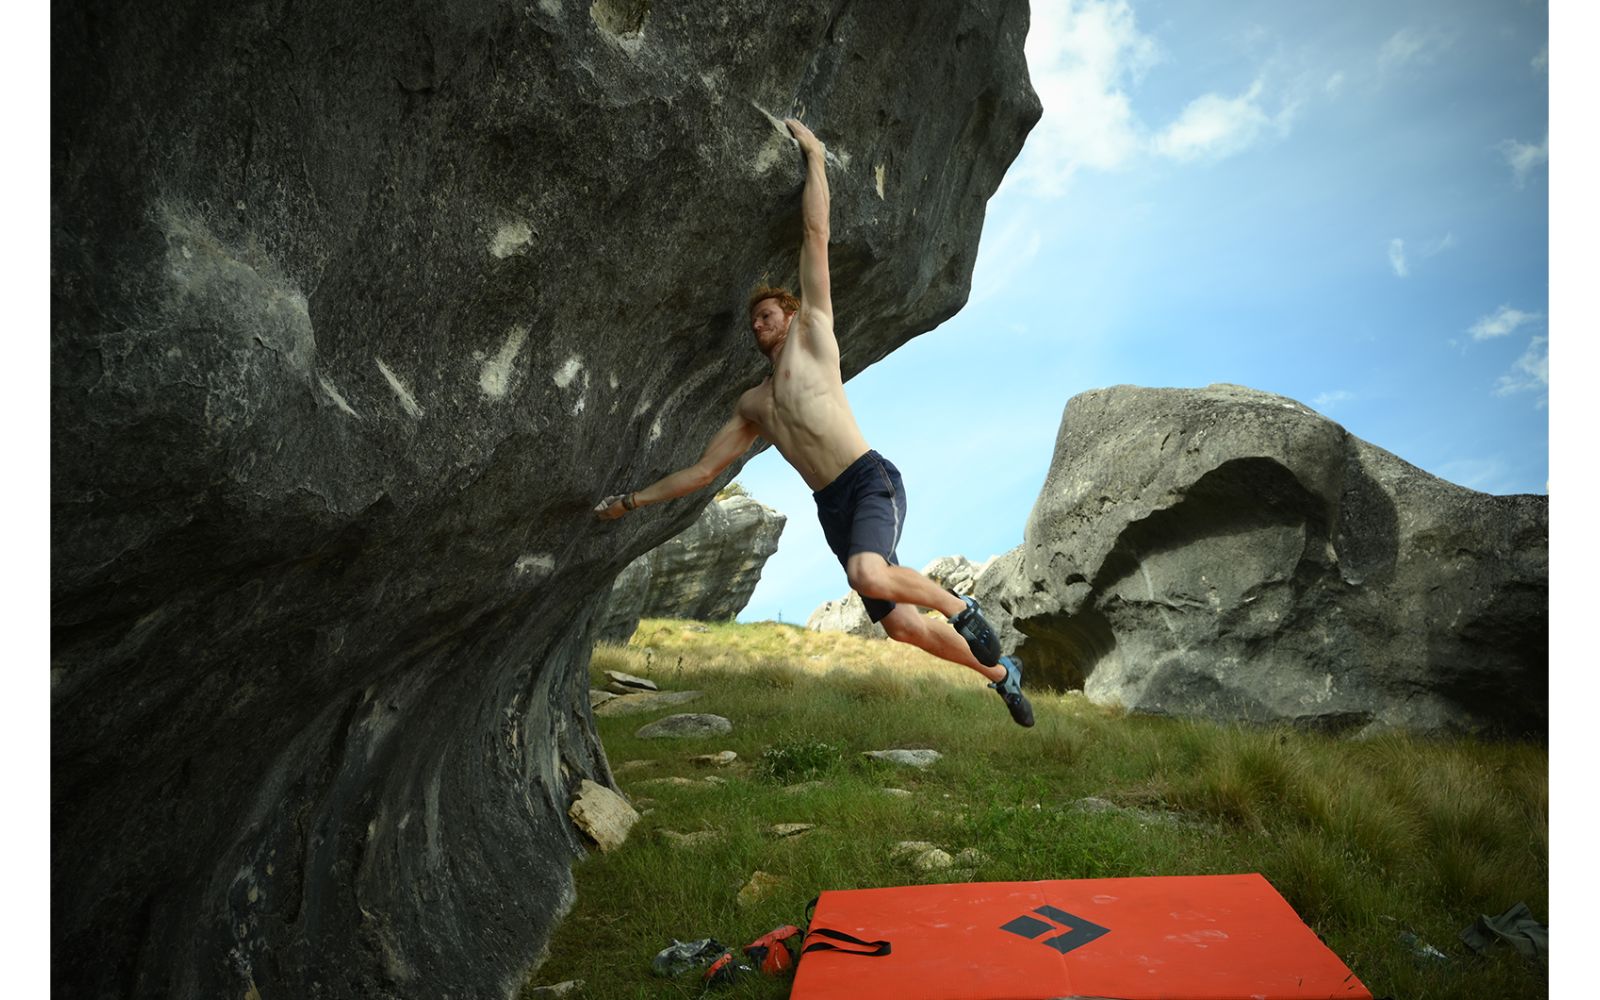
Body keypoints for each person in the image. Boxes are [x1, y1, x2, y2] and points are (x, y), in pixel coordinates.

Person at [594, 118, 1032, 727]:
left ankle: (962, 608)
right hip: (832, 506)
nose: (759, 325)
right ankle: (1000, 674)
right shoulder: (754, 405)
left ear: (791, 311)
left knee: (866, 572)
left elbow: (815, 232)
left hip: (867, 479)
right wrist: (630, 502)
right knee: (902, 627)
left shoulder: (815, 334)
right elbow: (700, 472)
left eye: (768, 313)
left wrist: (816, 157)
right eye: (754, 322)